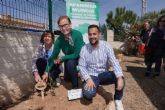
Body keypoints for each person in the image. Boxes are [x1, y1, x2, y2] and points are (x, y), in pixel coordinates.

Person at [78, 24, 125, 110]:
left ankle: (117, 99)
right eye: (90, 34)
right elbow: (81, 66)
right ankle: (95, 86)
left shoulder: (106, 46)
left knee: (120, 77)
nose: (92, 36)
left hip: (104, 74)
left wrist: (119, 77)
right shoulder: (84, 49)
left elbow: (114, 61)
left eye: (94, 34)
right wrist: (88, 79)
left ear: (99, 34)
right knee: (88, 94)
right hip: (91, 76)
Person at [42, 16, 85, 89]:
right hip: (69, 58)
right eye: (61, 26)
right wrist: (46, 72)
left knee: (70, 63)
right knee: (67, 79)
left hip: (82, 57)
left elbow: (76, 54)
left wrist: (63, 58)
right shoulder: (59, 40)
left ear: (70, 24)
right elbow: (53, 56)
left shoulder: (77, 34)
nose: (64, 28)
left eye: (66, 25)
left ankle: (75, 86)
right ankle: (72, 74)